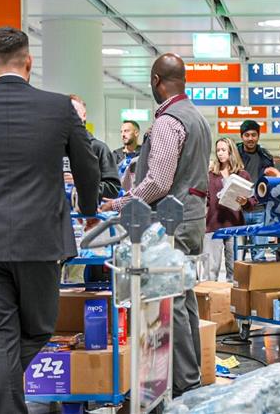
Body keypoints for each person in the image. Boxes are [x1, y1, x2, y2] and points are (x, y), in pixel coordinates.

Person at [0, 27, 100, 414]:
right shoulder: (58, 107)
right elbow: (87, 168)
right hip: (40, 241)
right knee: (38, 330)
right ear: (29, 61)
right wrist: (85, 209)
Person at [100, 53, 211, 397]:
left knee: (169, 300)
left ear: (155, 81)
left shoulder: (168, 121)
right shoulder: (197, 117)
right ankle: (191, 378)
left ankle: (183, 384)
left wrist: (118, 203)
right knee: (183, 295)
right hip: (192, 217)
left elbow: (159, 181)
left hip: (170, 221)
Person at [204, 137, 254, 281]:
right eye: (218, 150)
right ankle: (211, 300)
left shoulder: (242, 175)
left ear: (231, 152)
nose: (220, 153)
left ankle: (234, 302)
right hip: (214, 225)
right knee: (211, 270)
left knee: (235, 270)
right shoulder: (211, 175)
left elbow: (251, 202)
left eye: (223, 150)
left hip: (235, 226)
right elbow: (206, 199)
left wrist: (245, 202)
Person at [68, 94, 121, 200]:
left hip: (89, 214)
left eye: (74, 111)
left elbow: (113, 189)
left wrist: (80, 184)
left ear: (84, 115)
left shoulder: (99, 149)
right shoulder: (56, 149)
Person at [236, 120, 274, 261]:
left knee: (259, 253)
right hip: (239, 209)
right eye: (247, 135)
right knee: (237, 253)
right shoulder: (234, 155)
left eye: (254, 135)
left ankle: (258, 281)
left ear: (258, 136)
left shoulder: (266, 156)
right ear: (242, 136)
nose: (250, 138)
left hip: (259, 209)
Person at [112, 120, 142, 189]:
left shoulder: (144, 153)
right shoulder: (116, 155)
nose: (123, 134)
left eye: (126, 131)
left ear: (136, 133)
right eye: (121, 132)